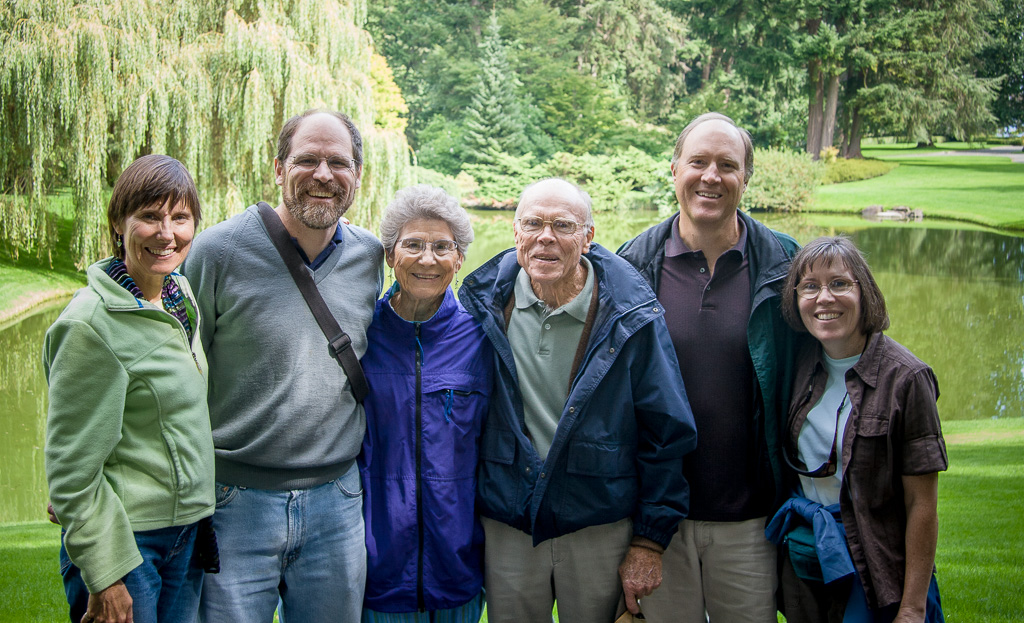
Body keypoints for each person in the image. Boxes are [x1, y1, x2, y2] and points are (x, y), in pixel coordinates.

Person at [459, 177, 697, 623]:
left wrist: (648, 541)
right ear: (515, 233)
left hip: (598, 521)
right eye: (532, 223)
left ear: (588, 238)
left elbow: (666, 431)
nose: (545, 237)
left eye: (563, 225)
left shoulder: (631, 317)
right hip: (510, 522)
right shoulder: (480, 306)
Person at [183, 110, 384, 622]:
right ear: (278, 168)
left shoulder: (370, 258)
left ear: (357, 175)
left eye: (338, 162)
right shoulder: (218, 252)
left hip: (337, 502)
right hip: (235, 503)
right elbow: (173, 371)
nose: (323, 174)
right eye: (307, 160)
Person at [618, 111, 801, 622]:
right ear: (674, 169)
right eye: (697, 161)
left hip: (750, 522)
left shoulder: (788, 265)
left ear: (746, 178)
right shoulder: (629, 267)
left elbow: (832, 360)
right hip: (656, 525)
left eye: (727, 164)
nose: (711, 177)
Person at [43, 154, 215, 623]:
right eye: (150, 217)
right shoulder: (90, 324)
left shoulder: (179, 294)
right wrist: (104, 571)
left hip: (187, 531)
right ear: (119, 222)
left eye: (180, 217)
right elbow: (71, 468)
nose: (167, 233)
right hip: (129, 543)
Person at [769, 235, 947, 623]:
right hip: (811, 562)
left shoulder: (907, 378)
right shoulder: (800, 364)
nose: (824, 298)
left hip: (880, 567)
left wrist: (913, 607)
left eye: (839, 284)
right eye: (810, 287)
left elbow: (922, 505)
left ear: (864, 291)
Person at [359, 185, 492, 622]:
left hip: (458, 567)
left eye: (441, 247)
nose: (427, 259)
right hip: (375, 568)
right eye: (413, 245)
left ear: (459, 259)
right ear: (389, 256)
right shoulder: (360, 336)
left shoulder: (482, 339)